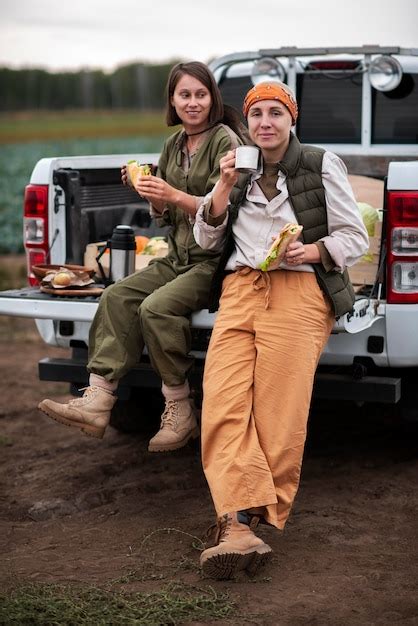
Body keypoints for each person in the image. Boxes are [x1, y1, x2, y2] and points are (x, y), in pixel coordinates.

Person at [193, 81, 369, 579]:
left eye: (275, 113)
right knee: (222, 401)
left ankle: (240, 521)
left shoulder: (319, 163)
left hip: (299, 292)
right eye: (256, 115)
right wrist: (223, 184)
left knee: (278, 414)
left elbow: (355, 236)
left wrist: (312, 251)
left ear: (293, 119)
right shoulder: (238, 164)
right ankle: (237, 525)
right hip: (241, 289)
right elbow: (206, 236)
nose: (265, 123)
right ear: (245, 123)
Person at [38, 61, 244, 452]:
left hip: (215, 261)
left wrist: (171, 195)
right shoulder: (173, 145)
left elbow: (223, 208)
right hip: (177, 255)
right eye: (185, 95)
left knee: (156, 309)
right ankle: (98, 400)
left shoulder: (225, 142)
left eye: (201, 94)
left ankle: (180, 408)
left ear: (212, 98)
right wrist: (147, 191)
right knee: (117, 296)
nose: (193, 102)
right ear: (172, 100)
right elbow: (165, 214)